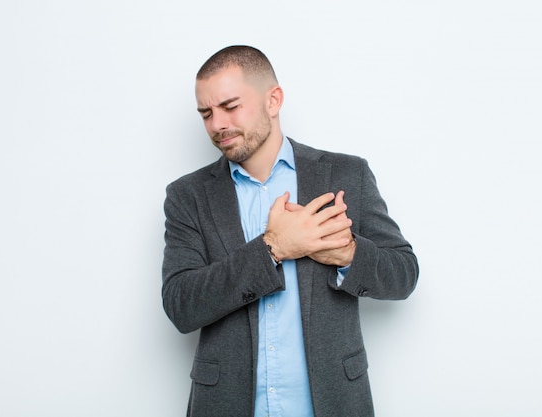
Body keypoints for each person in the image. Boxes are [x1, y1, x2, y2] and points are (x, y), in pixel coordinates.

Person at [162, 45, 418, 417]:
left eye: (230, 106)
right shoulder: (188, 195)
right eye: (206, 113)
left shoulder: (346, 174)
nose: (217, 124)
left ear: (273, 100)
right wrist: (272, 247)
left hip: (333, 404)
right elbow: (181, 305)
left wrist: (348, 255)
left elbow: (404, 274)